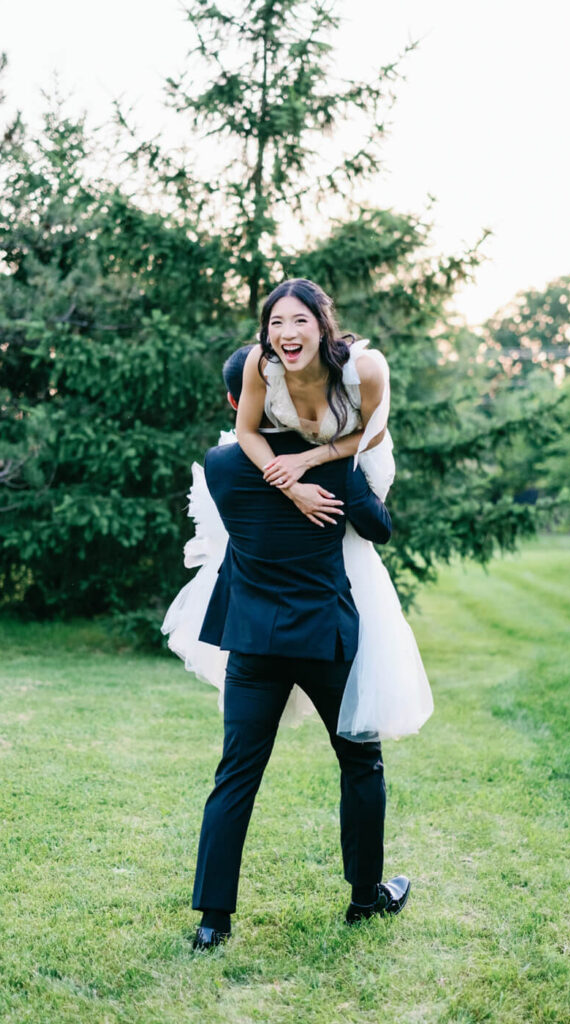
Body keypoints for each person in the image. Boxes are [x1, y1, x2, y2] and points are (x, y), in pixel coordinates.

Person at [163, 279, 433, 741]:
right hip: (289, 475)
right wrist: (289, 486)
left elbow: (373, 436)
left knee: (353, 545)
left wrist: (309, 460)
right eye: (276, 322)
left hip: (350, 455)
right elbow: (247, 430)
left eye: (300, 320)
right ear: (265, 331)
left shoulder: (363, 371)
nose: (287, 331)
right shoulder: (259, 365)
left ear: (324, 326)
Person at [190, 418, 411, 949]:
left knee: (235, 775)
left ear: (236, 402)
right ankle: (365, 899)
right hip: (323, 639)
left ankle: (212, 922)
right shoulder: (332, 460)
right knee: (361, 762)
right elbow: (377, 528)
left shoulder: (221, 466)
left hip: (252, 642)